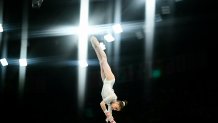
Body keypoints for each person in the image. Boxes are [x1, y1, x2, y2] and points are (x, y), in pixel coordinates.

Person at [90, 36, 128, 123]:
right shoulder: (113, 97)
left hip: (105, 81)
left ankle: (95, 47)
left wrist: (110, 120)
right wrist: (108, 115)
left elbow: (109, 115)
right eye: (116, 108)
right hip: (110, 79)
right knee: (104, 60)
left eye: (115, 110)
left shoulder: (110, 104)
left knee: (101, 61)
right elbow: (101, 104)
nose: (114, 109)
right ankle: (98, 45)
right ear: (117, 103)